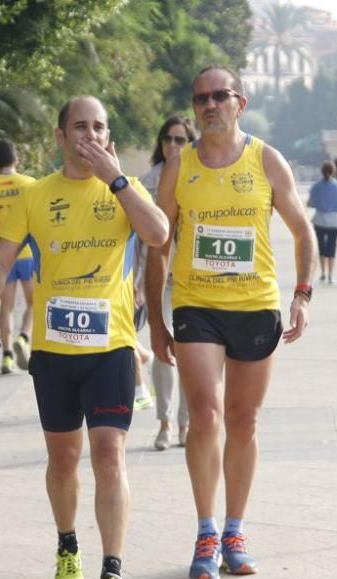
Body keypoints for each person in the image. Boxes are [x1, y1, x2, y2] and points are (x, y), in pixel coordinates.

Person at [0, 96, 168, 579]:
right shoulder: (36, 195)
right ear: (60, 137)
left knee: (110, 455)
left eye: (100, 127)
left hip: (111, 348)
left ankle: (113, 572)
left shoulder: (125, 190)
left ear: (108, 136)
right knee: (63, 459)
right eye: (79, 127)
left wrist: (119, 181)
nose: (90, 135)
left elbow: (158, 233)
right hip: (55, 353)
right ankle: (67, 546)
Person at [146, 65, 316, 579]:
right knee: (205, 414)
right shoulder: (179, 166)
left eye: (220, 96)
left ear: (240, 102)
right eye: (200, 99)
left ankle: (235, 531)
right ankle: (205, 530)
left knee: (244, 420)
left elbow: (302, 230)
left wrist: (303, 295)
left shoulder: (266, 160)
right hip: (197, 305)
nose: (209, 105)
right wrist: (155, 319)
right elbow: (158, 244)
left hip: (255, 306)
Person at [138, 116, 197, 450]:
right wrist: (134, 283)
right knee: (162, 350)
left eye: (180, 140)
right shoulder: (145, 183)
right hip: (158, 277)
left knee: (190, 354)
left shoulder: (200, 176)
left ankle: (186, 423)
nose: (173, 146)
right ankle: (164, 423)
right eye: (168, 139)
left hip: (192, 279)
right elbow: (135, 238)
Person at [0, 140, 36, 374]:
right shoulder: (30, 184)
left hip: (2, 255)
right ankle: (24, 337)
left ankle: (7, 356)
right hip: (28, 253)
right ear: (17, 159)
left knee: (6, 307)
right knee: (34, 302)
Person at [307, 160, 337, 284]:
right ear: (334, 171)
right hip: (335, 220)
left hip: (319, 219)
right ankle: (331, 274)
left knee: (321, 246)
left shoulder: (316, 186)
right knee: (332, 246)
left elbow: (310, 203)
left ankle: (323, 273)